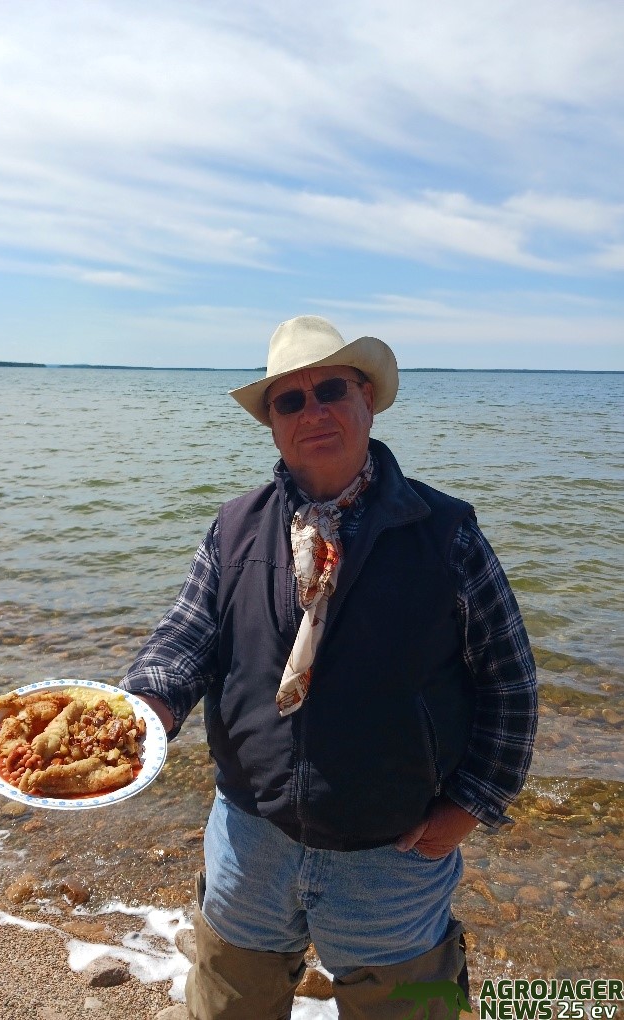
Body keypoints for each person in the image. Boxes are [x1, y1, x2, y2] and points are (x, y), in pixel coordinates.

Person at [120, 315, 538, 1020]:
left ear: (367, 400)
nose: (312, 411)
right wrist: (144, 711)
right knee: (229, 1006)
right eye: (290, 399)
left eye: (331, 391)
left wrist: (473, 801)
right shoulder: (233, 527)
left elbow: (510, 682)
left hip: (392, 852)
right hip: (248, 836)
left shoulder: (446, 533)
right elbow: (186, 636)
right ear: (273, 425)